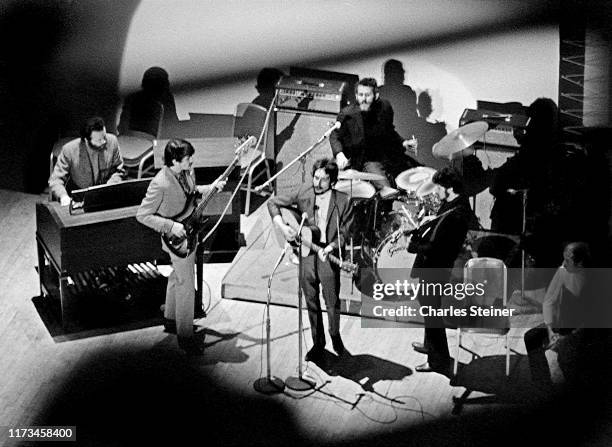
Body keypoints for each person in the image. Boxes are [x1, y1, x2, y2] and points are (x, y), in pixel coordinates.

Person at [136, 139, 226, 355]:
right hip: (176, 238)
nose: (191, 161)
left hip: (189, 232)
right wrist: (171, 226)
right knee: (186, 284)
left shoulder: (186, 173)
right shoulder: (160, 183)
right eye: (187, 159)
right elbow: (142, 215)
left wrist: (210, 188)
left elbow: (192, 194)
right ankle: (185, 336)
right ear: (175, 161)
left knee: (177, 276)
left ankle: (170, 318)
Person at [268, 158, 354, 362]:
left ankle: (335, 336)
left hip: (327, 251)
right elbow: (273, 202)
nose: (317, 183)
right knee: (311, 300)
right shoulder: (305, 192)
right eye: (316, 177)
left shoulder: (343, 200)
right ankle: (318, 343)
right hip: (306, 251)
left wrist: (332, 247)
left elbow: (346, 231)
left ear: (332, 182)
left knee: (332, 301)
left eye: (323, 180)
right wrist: (283, 227)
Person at [409, 167, 477, 373]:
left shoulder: (458, 213)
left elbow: (441, 247)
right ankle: (430, 345)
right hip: (431, 266)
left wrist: (413, 246)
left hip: (437, 267)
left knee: (432, 313)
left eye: (438, 187)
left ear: (449, 188)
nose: (435, 191)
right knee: (428, 307)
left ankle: (438, 361)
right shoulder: (451, 204)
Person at [330, 77, 418, 190]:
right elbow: (334, 135)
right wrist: (339, 154)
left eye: (367, 95)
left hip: (386, 157)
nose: (363, 99)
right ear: (356, 96)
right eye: (360, 95)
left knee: (416, 177)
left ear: (376, 95)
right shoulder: (348, 114)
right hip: (364, 160)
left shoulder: (385, 107)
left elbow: (389, 132)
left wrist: (403, 142)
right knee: (387, 191)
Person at [523, 242, 590, 389]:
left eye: (567, 260)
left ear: (580, 263)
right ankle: (542, 386)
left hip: (580, 331)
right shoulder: (563, 271)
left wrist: (567, 339)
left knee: (568, 358)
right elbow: (549, 301)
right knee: (531, 338)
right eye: (563, 259)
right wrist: (550, 330)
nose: (563, 263)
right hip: (561, 324)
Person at [49, 116, 126, 206]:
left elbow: (119, 170)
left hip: (106, 195)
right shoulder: (69, 150)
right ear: (86, 140)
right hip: (79, 198)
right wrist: (63, 197)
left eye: (104, 136)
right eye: (99, 140)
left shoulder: (112, 141)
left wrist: (109, 187)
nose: (104, 142)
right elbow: (56, 179)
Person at [118, 66, 179, 137]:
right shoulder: (133, 99)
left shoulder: (167, 98)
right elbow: (123, 126)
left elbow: (173, 122)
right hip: (134, 140)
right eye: (165, 82)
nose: (168, 84)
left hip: (158, 140)